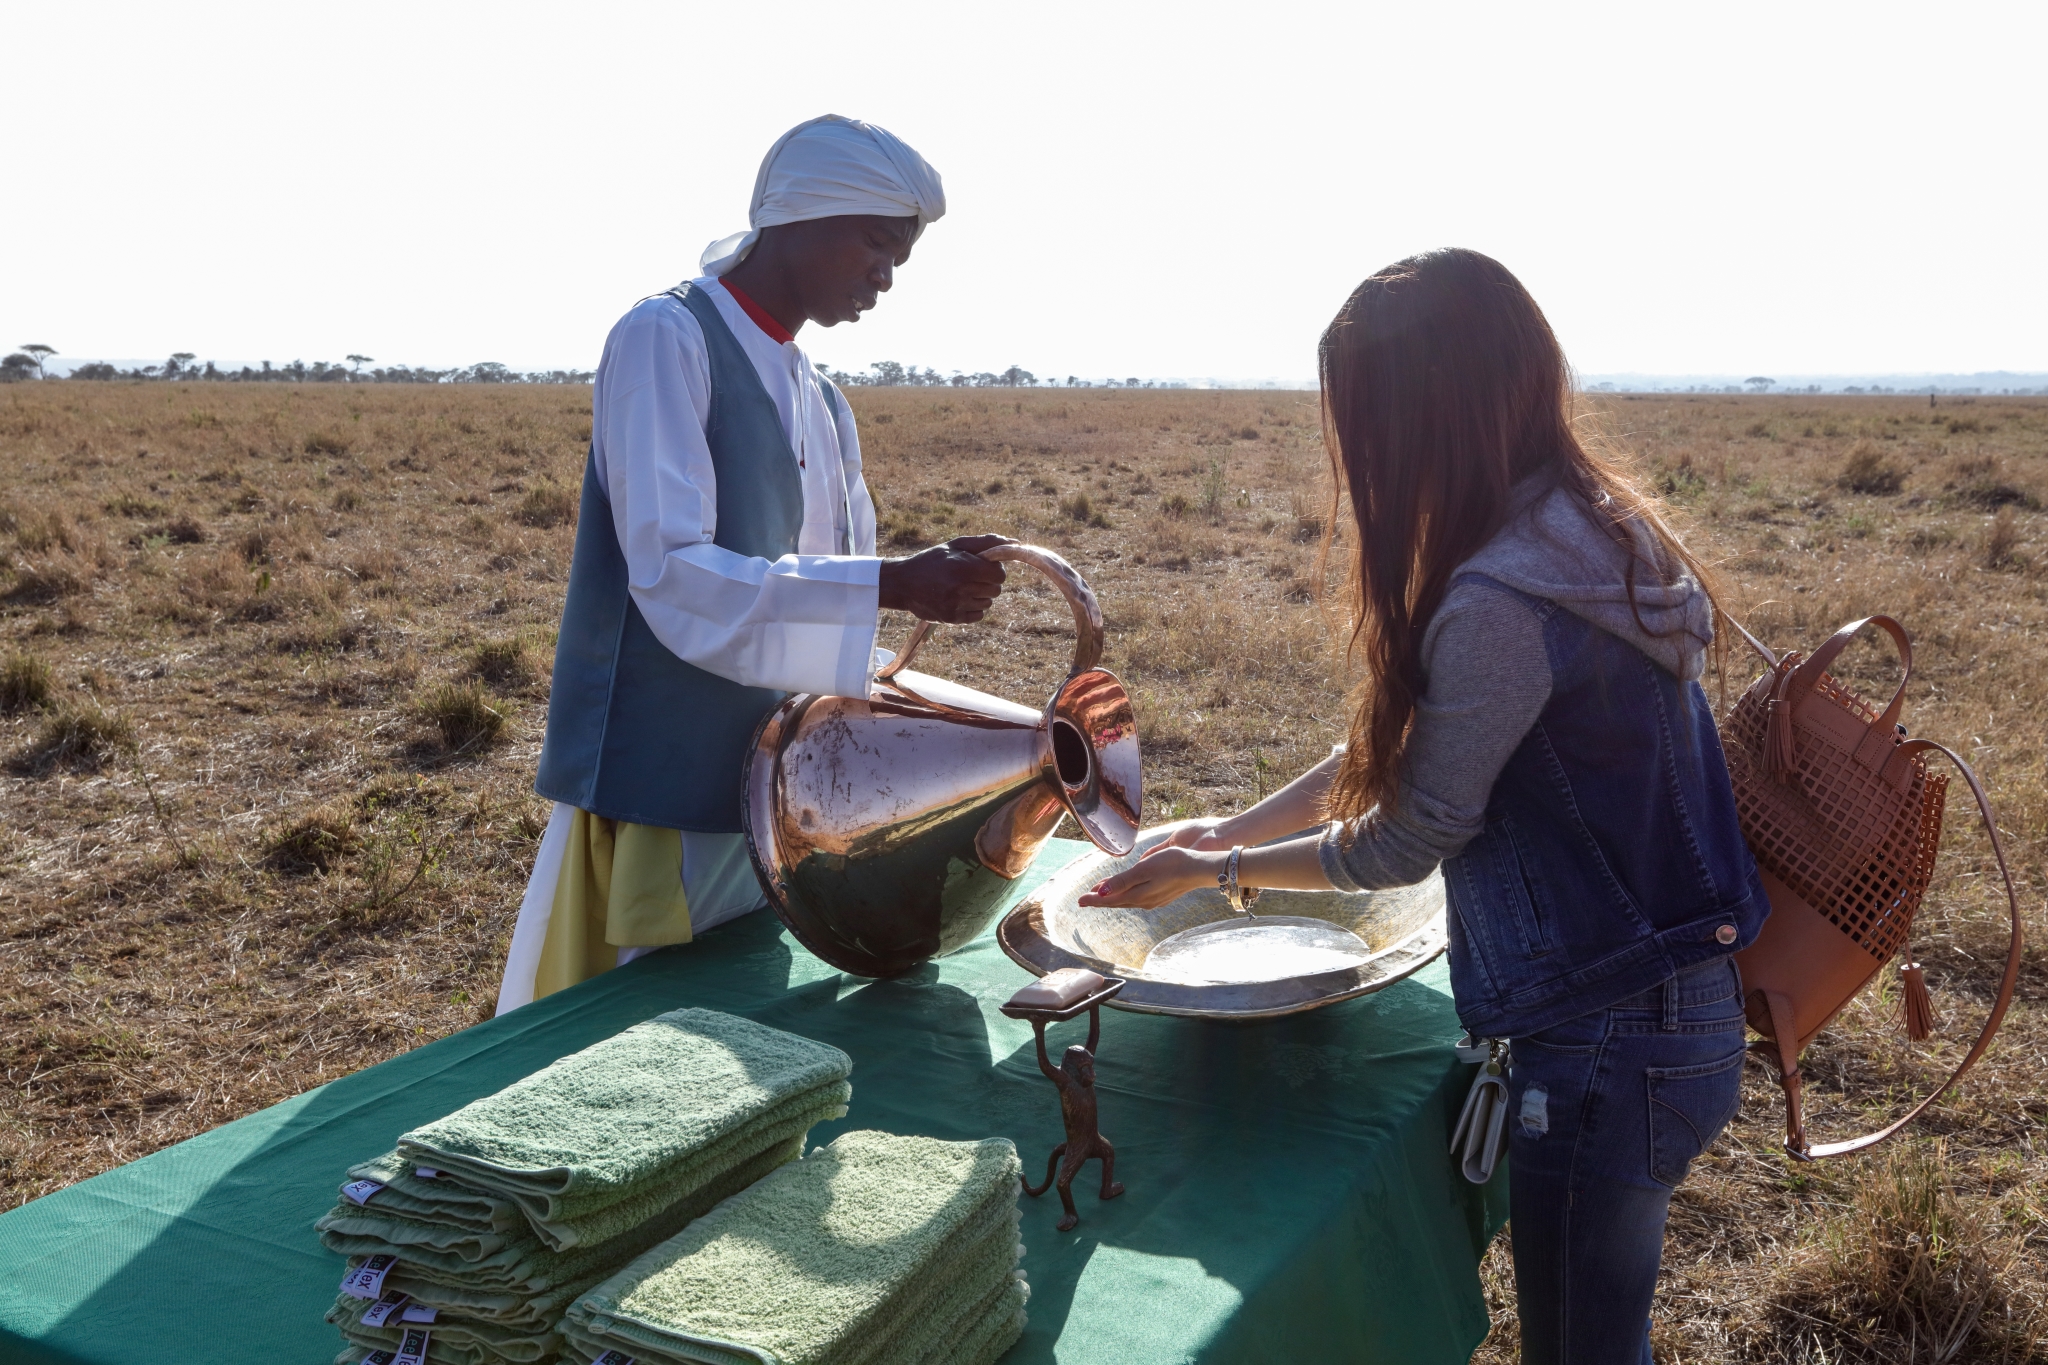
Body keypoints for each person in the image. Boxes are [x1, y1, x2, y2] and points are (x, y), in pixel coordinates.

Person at [1080, 248, 1770, 1364]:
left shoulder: (1500, 595)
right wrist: (1229, 832)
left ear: (1416, 420)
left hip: (1607, 1041)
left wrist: (1217, 880)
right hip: (1663, 1016)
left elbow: (1405, 838)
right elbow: (1410, 749)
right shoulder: (1588, 529)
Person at [497, 115, 1010, 1015]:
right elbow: (675, 571)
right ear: (803, 218)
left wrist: (914, 591)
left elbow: (832, 577)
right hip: (667, 781)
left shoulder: (821, 396)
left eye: (901, 259)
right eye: (879, 246)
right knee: (626, 1035)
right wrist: (892, 579)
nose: (886, 278)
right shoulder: (667, 337)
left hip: (781, 784)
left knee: (743, 1023)